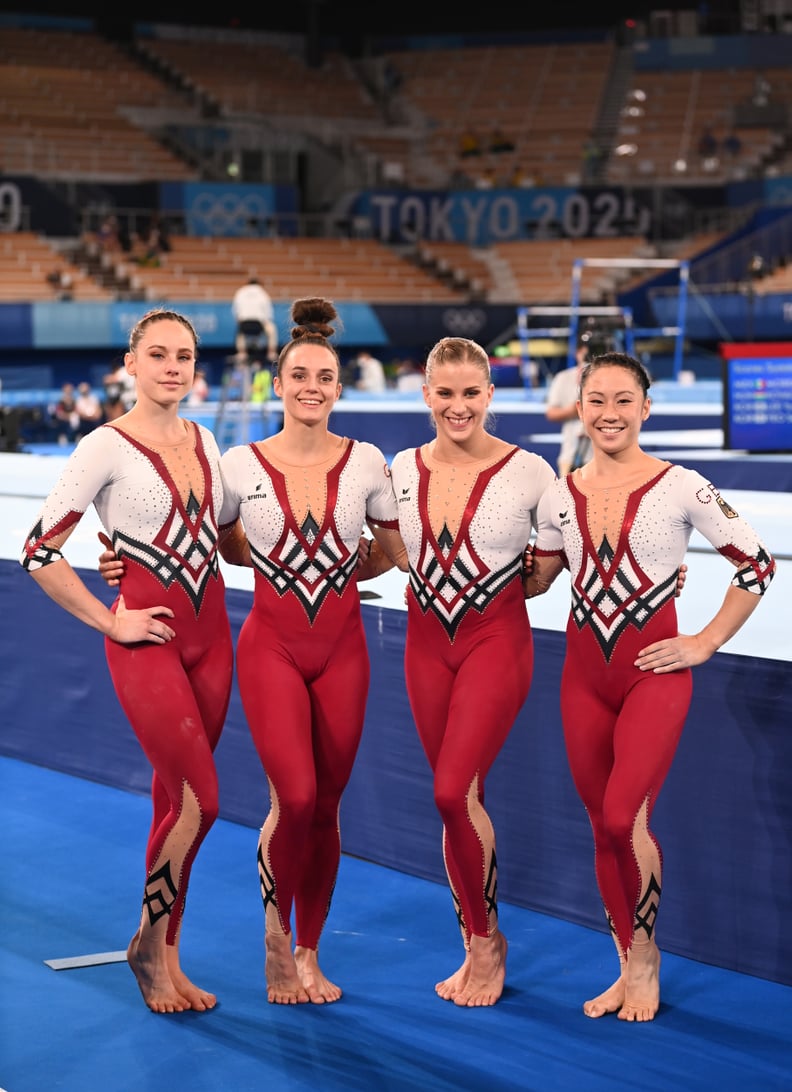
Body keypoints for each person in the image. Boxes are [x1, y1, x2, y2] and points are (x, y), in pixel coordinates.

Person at [524, 351, 776, 1023]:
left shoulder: (681, 486)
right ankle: (626, 960)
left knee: (619, 817)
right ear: (580, 407)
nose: (609, 413)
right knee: (600, 828)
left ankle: (646, 958)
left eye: (623, 400)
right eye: (597, 400)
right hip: (582, 678)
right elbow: (537, 578)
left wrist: (705, 640)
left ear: (645, 408)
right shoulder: (558, 492)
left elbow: (756, 563)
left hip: (652, 677)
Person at [21, 308, 234, 1015]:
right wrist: (109, 618)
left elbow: (224, 538)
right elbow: (40, 551)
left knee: (177, 803)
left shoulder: (207, 439)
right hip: (148, 644)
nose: (173, 366)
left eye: (185, 356)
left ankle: (167, 953)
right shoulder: (102, 447)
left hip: (213, 642)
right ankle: (147, 943)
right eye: (160, 354)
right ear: (132, 363)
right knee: (204, 800)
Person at [216, 297, 406, 1004]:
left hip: (343, 651)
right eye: (299, 375)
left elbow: (393, 553)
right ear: (279, 382)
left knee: (326, 806)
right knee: (291, 797)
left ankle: (310, 950)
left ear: (337, 386)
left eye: (324, 377)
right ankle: (273, 930)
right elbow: (226, 544)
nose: (311, 387)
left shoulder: (366, 463)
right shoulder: (240, 462)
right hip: (271, 648)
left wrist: (336, 571)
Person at [362, 336, 556, 1007]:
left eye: (471, 393)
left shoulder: (529, 470)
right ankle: (476, 940)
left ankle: (487, 941)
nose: (458, 405)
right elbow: (379, 553)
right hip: (424, 644)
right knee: (457, 799)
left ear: (490, 395)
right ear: (425, 396)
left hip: (494, 642)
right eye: (445, 393)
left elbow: (572, 549)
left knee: (451, 793)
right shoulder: (399, 470)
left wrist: (658, 572)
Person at [545, 340, 592, 476]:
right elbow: (551, 413)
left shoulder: (612, 379)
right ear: (578, 353)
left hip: (602, 459)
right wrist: (573, 411)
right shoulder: (563, 378)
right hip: (570, 455)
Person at [232, 276, 278, 364]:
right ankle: (271, 352)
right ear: (259, 284)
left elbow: (235, 310)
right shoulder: (263, 293)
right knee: (272, 329)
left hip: (244, 323)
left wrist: (239, 320)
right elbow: (268, 312)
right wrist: (265, 321)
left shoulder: (240, 292)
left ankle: (242, 352)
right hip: (259, 323)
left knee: (240, 332)